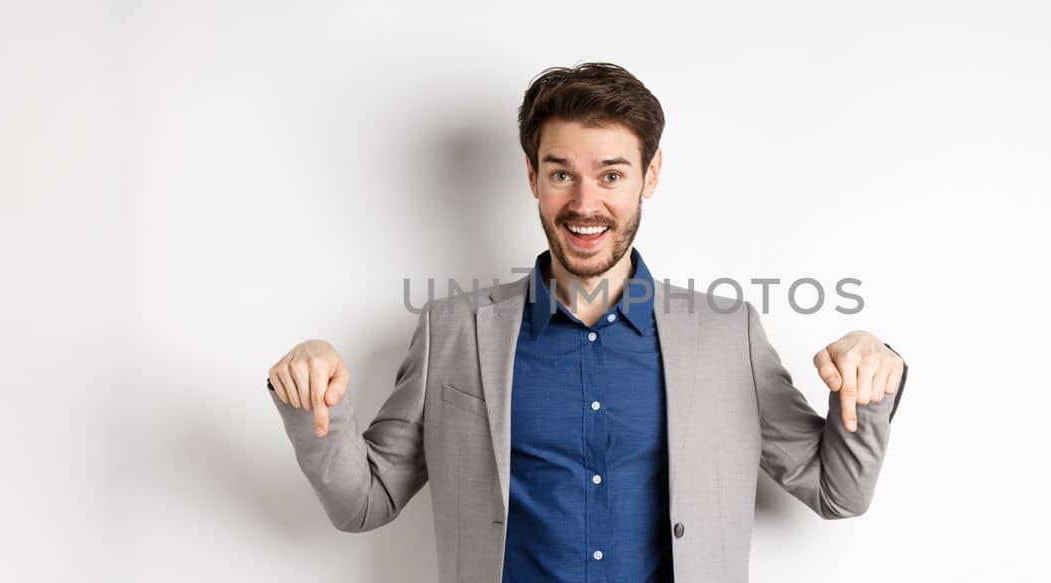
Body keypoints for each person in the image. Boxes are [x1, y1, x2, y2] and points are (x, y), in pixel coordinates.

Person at [265, 62, 909, 583]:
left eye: (611, 174)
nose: (585, 203)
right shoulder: (453, 331)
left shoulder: (726, 334)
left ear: (648, 176)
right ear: (532, 176)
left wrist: (870, 370)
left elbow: (838, 492)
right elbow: (364, 503)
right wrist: (314, 398)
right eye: (561, 174)